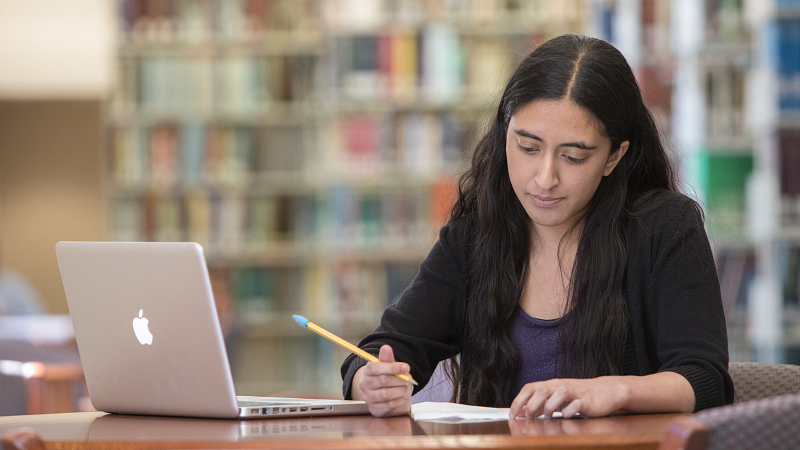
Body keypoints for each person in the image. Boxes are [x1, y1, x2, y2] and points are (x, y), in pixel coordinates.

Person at [340, 34, 734, 419]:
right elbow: (385, 348)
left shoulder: (664, 228)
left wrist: (614, 389)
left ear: (615, 156)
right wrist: (371, 381)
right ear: (504, 134)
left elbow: (704, 378)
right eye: (528, 148)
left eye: (574, 157)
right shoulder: (475, 237)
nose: (545, 178)